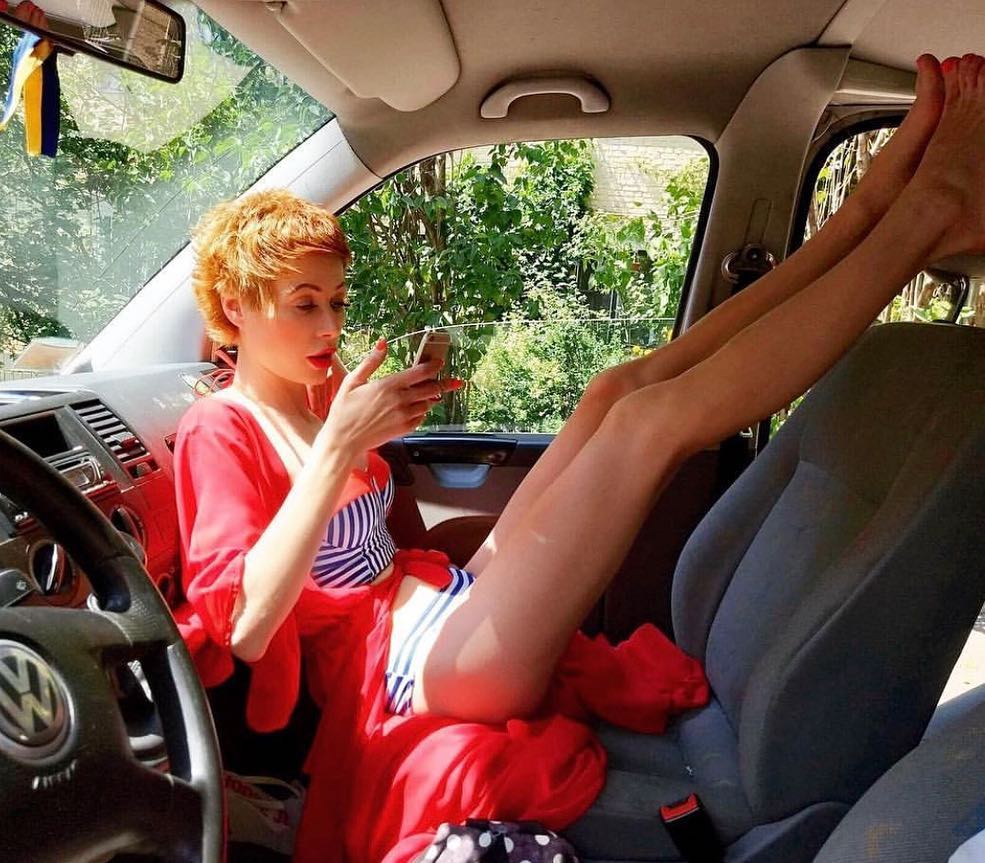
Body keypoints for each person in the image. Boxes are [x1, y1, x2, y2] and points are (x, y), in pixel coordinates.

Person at [174, 52, 984, 862]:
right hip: (412, 673)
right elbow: (244, 627)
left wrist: (352, 435)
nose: (328, 326)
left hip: (440, 602)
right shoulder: (220, 425)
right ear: (234, 309)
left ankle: (874, 207)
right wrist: (342, 449)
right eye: (303, 305)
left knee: (614, 391)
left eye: (336, 300)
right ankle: (922, 218)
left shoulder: (318, 400)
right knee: (646, 425)